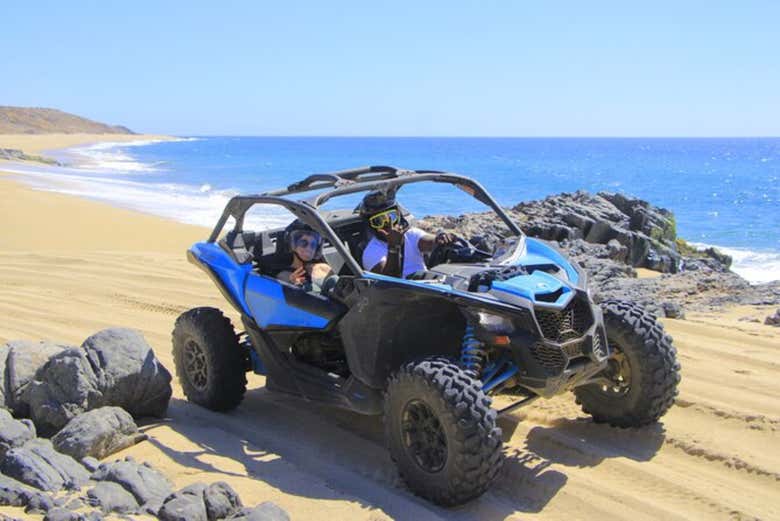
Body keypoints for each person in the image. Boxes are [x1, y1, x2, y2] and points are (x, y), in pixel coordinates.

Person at [359, 190, 455, 278]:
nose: (388, 224)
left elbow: (430, 241)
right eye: (379, 221)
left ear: (399, 215)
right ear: (371, 226)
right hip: (402, 294)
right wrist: (394, 247)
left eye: (391, 216)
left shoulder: (410, 234)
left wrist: (441, 239)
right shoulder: (371, 252)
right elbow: (388, 282)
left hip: (427, 284)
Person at [276, 220, 336, 293]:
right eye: (303, 243)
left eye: (313, 244)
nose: (308, 248)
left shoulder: (323, 268)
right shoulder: (285, 275)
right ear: (292, 244)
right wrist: (291, 284)